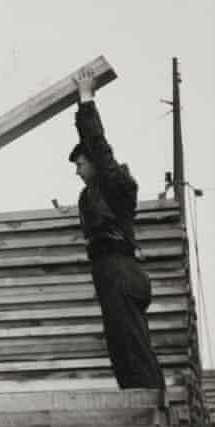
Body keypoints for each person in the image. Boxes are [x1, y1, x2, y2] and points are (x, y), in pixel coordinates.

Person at [68, 69, 164, 389]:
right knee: (123, 347)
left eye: (81, 163)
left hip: (121, 272)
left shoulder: (113, 184)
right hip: (111, 274)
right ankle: (141, 405)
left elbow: (97, 143)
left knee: (131, 347)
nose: (78, 170)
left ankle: (148, 406)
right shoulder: (93, 193)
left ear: (95, 162)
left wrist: (86, 98)